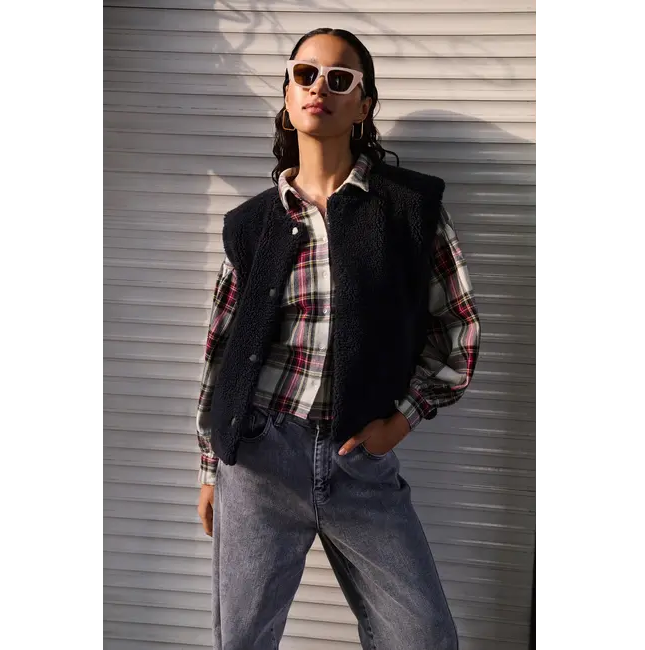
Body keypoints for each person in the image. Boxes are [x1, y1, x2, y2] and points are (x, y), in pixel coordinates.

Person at [195, 27, 481, 650]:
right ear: (287, 94)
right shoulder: (250, 224)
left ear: (363, 104)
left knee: (422, 636)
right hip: (260, 458)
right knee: (243, 640)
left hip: (359, 460)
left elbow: (457, 333)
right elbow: (221, 350)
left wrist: (400, 423)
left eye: (339, 78)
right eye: (304, 74)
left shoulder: (409, 210)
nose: (318, 87)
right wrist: (211, 467)